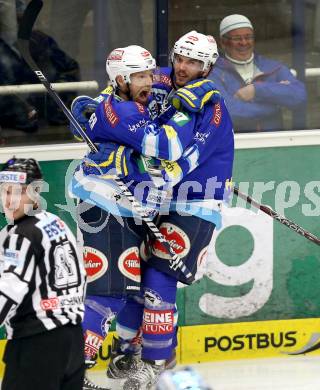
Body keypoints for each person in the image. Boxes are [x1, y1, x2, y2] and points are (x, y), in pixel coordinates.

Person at [71, 32, 233, 390]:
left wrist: (127, 161)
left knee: (158, 282)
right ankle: (125, 354)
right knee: (134, 281)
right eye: (179, 58)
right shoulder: (158, 77)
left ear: (208, 67)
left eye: (193, 63)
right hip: (153, 197)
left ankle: (154, 364)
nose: (183, 68)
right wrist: (94, 108)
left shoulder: (210, 103)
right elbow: (119, 88)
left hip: (194, 199)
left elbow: (177, 159)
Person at [0, 157, 87, 390]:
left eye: (19, 192)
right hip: (74, 342)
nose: (10, 200)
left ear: (36, 192)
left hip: (37, 345)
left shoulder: (21, 234)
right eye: (6, 192)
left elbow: (8, 292)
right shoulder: (56, 223)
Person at [208, 14, 307, 132]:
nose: (244, 42)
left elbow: (300, 96)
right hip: (235, 143)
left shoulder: (273, 67)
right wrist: (274, 105)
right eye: (237, 38)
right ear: (223, 43)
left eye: (248, 37)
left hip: (275, 141)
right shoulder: (213, 73)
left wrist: (256, 90)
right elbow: (227, 112)